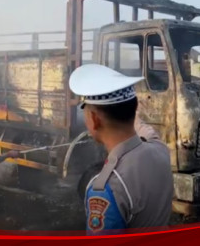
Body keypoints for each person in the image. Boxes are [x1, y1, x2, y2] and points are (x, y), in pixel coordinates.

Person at [69, 64, 173, 234]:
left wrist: (129, 109)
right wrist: (129, 109)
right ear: (134, 109)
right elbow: (147, 131)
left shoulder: (105, 188)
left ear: (94, 119)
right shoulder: (160, 150)